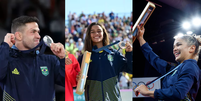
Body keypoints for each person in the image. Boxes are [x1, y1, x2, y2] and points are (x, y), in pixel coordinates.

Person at [0, 16, 65, 101]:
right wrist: (5, 45)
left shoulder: (50, 60)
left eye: (38, 32)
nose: (38, 36)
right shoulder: (8, 60)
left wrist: (63, 58)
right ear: (19, 36)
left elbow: (66, 82)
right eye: (33, 32)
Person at [134, 25, 201, 101]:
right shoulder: (175, 69)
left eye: (178, 45)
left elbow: (178, 93)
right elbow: (154, 59)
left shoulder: (190, 66)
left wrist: (148, 92)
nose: (174, 49)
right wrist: (140, 38)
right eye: (173, 47)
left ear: (192, 48)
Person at [78, 22, 133, 101]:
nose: (96, 33)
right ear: (89, 35)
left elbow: (130, 69)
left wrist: (129, 53)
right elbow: (78, 84)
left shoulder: (114, 54)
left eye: (99, 31)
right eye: (92, 32)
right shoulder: (84, 58)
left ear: (104, 33)